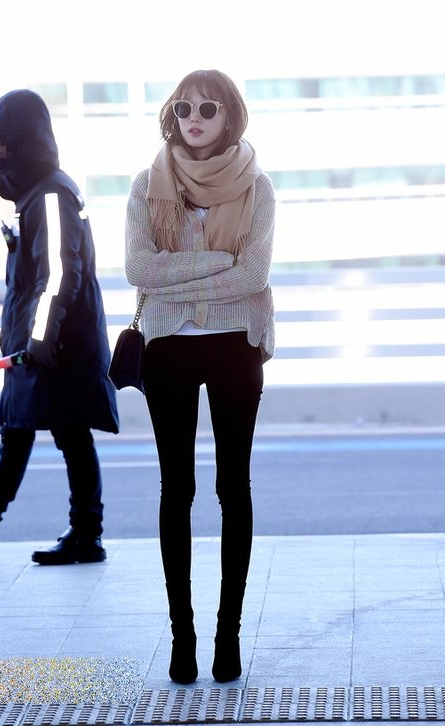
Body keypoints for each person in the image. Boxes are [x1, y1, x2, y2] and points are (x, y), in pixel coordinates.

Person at [125, 69, 275, 684]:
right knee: (176, 491)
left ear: (229, 116)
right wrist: (218, 260)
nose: (194, 118)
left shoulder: (257, 186)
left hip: (237, 347)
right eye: (184, 107)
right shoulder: (148, 184)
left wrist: (181, 273)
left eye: (208, 109)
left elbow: (254, 275)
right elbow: (139, 269)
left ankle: (227, 636)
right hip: (169, 350)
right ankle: (182, 637)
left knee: (232, 488)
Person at [0, 89, 119, 565]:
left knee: (65, 435)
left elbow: (59, 273)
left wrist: (39, 339)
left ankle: (81, 534)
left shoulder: (51, 194)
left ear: (19, 140)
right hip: (40, 345)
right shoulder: (37, 193)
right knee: (23, 430)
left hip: (55, 347)